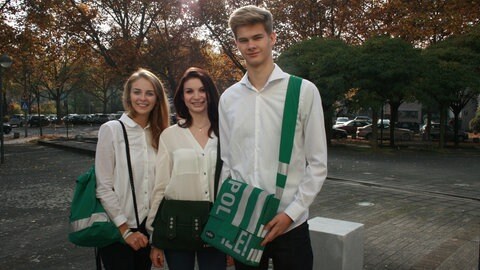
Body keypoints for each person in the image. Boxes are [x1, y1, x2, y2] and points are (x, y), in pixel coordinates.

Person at [219, 5, 328, 270]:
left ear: (272, 37)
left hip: (291, 226)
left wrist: (290, 215)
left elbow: (317, 164)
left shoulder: (303, 91)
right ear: (236, 43)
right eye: (243, 40)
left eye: (257, 37)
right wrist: (227, 226)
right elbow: (228, 165)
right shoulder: (228, 98)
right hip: (245, 225)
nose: (251, 45)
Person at [147, 67, 227, 270]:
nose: (196, 96)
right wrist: (155, 236)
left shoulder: (226, 133)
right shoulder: (170, 136)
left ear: (210, 93)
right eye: (189, 91)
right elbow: (161, 186)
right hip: (178, 226)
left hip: (216, 225)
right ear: (182, 97)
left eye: (202, 90)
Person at [95, 68, 170, 270]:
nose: (142, 98)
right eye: (137, 92)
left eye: (149, 93)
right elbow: (103, 186)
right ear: (129, 95)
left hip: (147, 231)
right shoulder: (111, 130)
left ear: (157, 98)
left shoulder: (161, 134)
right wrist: (125, 230)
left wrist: (156, 235)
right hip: (117, 230)